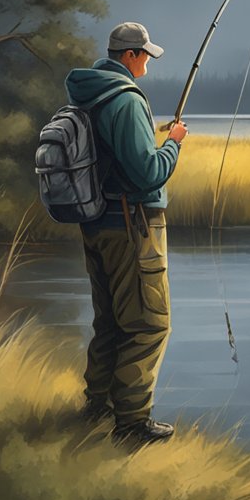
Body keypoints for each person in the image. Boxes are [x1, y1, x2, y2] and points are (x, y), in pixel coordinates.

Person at [65, 22, 188, 444]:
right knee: (149, 325)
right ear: (132, 56)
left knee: (111, 322)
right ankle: (132, 424)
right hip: (132, 226)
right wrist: (173, 142)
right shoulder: (127, 100)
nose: (148, 63)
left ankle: (97, 406)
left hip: (96, 222)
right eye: (146, 55)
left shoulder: (89, 94)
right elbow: (147, 172)